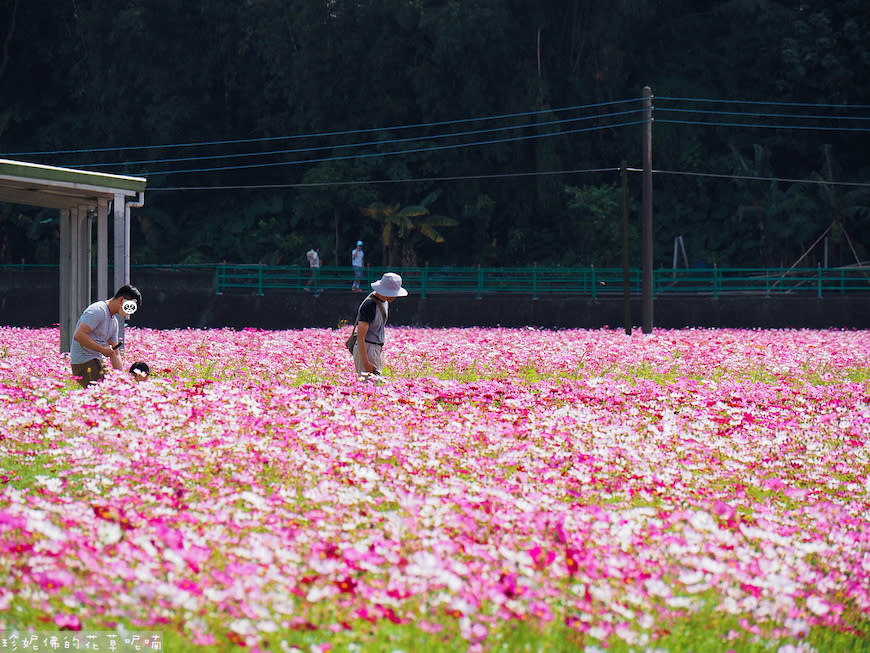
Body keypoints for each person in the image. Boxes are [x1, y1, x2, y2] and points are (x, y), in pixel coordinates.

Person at [70, 284, 142, 388]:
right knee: (108, 391)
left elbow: (115, 353)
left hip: (97, 362)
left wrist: (122, 378)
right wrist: (102, 350)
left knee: (117, 389)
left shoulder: (114, 322)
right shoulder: (98, 310)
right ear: (121, 300)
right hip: (84, 363)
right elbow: (79, 335)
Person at [352, 272, 407, 376]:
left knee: (374, 387)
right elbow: (360, 337)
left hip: (375, 348)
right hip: (367, 348)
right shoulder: (369, 305)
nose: (394, 297)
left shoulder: (384, 301)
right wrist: (366, 363)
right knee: (369, 387)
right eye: (391, 293)